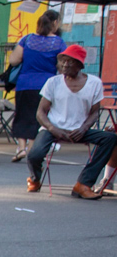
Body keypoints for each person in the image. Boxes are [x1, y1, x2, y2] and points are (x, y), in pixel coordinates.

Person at [25, 44, 115, 200]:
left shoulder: (94, 83)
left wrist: (84, 128)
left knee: (110, 139)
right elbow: (40, 112)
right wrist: (53, 129)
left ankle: (83, 184)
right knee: (34, 154)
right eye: (63, 61)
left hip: (80, 130)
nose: (65, 65)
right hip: (53, 128)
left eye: (70, 61)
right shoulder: (53, 82)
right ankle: (35, 179)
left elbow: (95, 112)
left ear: (79, 65)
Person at [10, 10, 64, 163]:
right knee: (39, 116)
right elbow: (63, 65)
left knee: (21, 115)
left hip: (24, 84)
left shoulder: (27, 40)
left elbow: (14, 60)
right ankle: (33, 148)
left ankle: (21, 147)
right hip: (46, 85)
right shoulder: (58, 43)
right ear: (55, 23)